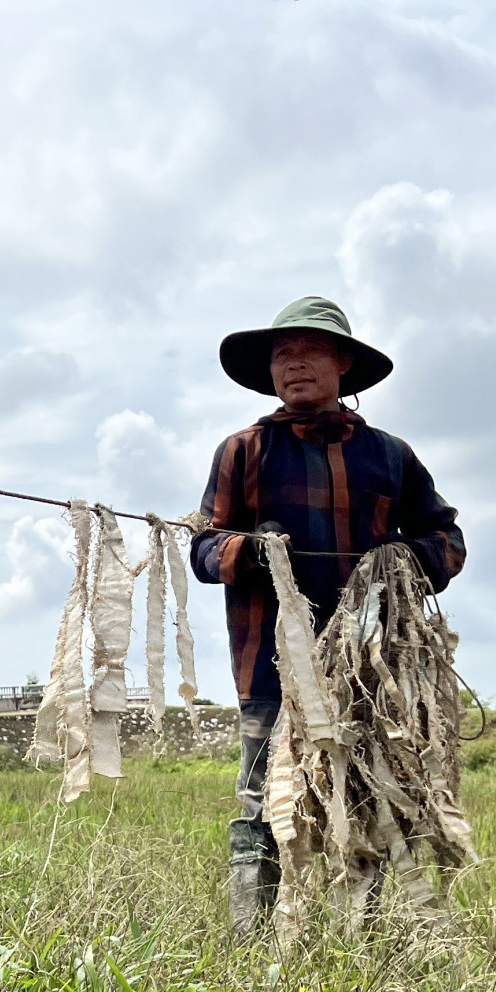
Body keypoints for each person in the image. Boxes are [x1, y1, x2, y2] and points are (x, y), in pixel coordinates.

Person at [191, 297, 465, 937]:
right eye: (281, 355)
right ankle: (251, 940)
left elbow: (447, 542)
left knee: (363, 794)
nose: (292, 365)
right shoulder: (243, 451)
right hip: (270, 666)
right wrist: (247, 552)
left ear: (343, 363)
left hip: (371, 671)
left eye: (308, 351)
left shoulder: (389, 456)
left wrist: (400, 559)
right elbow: (203, 546)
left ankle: (356, 938)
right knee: (265, 801)